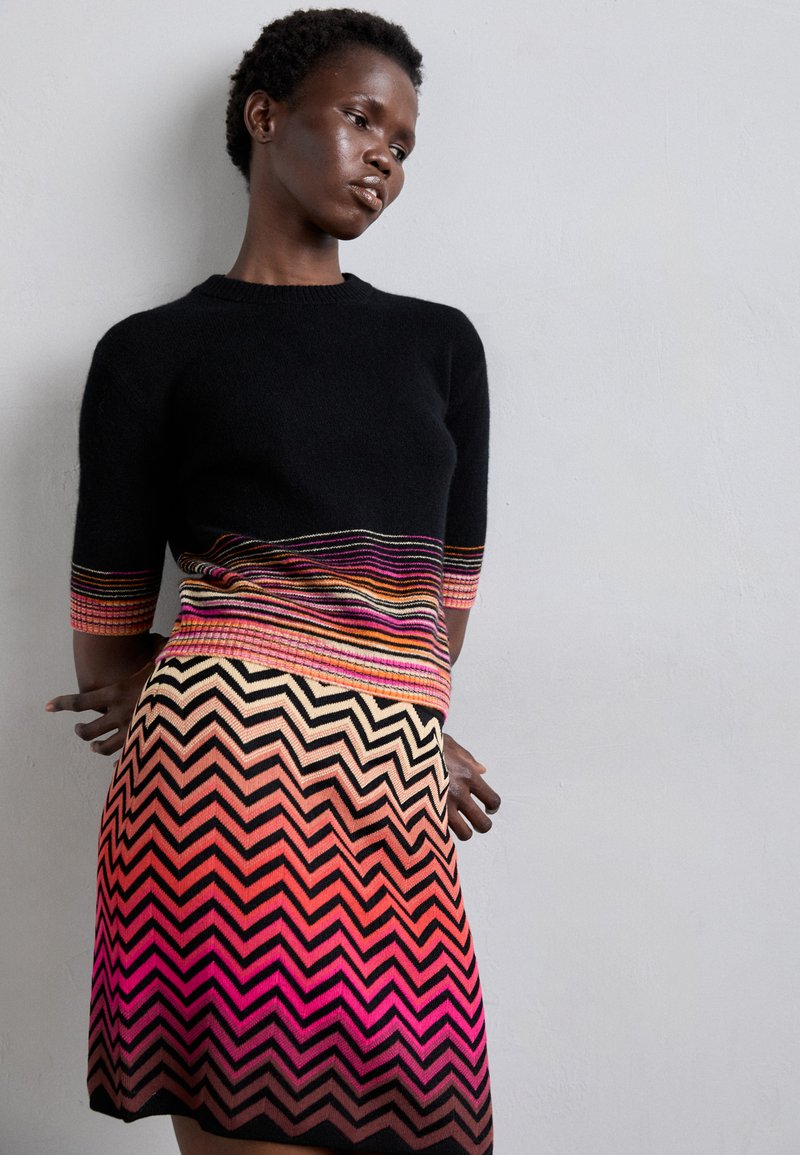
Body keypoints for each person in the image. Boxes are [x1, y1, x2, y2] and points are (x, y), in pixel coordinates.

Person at [44, 8, 500, 1154]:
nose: (385, 158)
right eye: (361, 119)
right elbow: (108, 643)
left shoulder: (440, 347)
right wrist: (306, 688)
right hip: (219, 801)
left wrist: (395, 723)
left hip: (390, 801)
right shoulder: (151, 353)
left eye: (403, 142)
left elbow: (439, 603)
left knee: (431, 1114)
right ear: (264, 116)